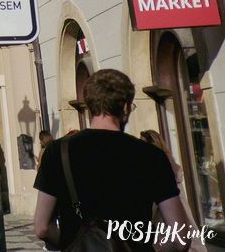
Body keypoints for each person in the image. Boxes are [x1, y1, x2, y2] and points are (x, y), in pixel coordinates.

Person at [33, 69, 190, 252]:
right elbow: (181, 237)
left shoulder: (58, 151)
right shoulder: (151, 155)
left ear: (89, 106)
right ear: (125, 107)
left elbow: (42, 227)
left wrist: (72, 242)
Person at [141, 129, 206, 252]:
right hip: (185, 230)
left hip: (171, 234)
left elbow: (152, 209)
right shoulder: (170, 166)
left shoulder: (158, 171)